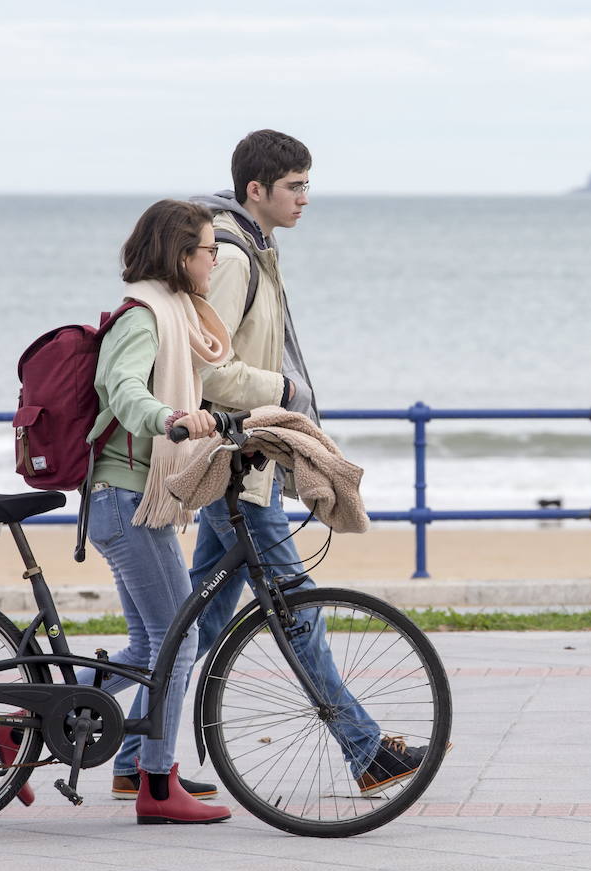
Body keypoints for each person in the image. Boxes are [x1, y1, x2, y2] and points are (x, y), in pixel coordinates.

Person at [107, 130, 432, 801]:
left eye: (308, 184)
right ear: (256, 189)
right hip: (237, 466)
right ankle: (364, 748)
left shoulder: (251, 246)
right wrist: (282, 392)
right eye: (295, 186)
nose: (306, 198)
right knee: (295, 607)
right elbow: (207, 368)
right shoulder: (229, 255)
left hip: (238, 462)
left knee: (202, 621)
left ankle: (136, 757)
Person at [65, 198, 234, 824]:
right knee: (178, 637)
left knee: (148, 641)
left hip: (134, 498)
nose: (215, 260)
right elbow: (124, 388)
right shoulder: (143, 317)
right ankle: (158, 785)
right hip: (126, 497)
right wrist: (169, 420)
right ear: (181, 254)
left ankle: (26, 726)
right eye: (210, 250)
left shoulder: (175, 316)